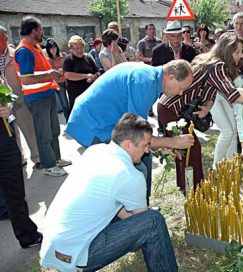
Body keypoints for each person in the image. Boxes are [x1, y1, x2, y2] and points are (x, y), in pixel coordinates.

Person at [40, 113, 177, 272]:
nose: (147, 151)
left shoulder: (95, 151)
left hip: (51, 247)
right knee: (153, 221)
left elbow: (123, 212)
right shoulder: (130, 175)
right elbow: (142, 220)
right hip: (73, 258)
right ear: (128, 145)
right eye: (145, 145)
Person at [157, 32, 243, 193]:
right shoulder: (217, 66)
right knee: (189, 149)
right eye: (236, 52)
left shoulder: (210, 62)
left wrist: (208, 105)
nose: (240, 56)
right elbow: (234, 95)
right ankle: (194, 190)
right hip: (170, 110)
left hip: (171, 108)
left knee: (188, 150)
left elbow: (209, 88)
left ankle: (190, 187)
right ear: (226, 50)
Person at [66, 60, 195, 203]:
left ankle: (141, 208)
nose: (181, 93)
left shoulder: (151, 79)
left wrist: (162, 144)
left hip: (104, 121)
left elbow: (139, 124)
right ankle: (130, 214)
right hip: (93, 124)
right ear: (170, 77)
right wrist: (172, 142)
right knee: (130, 171)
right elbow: (136, 134)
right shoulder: (145, 82)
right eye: (182, 88)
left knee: (144, 160)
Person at [15, 16, 70, 177]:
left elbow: (41, 72)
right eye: (40, 30)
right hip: (37, 98)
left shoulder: (35, 47)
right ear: (33, 31)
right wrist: (50, 75)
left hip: (47, 94)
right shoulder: (24, 50)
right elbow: (25, 78)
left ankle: (56, 159)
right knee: (44, 134)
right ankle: (49, 165)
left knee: (53, 130)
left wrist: (54, 76)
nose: (42, 33)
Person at [0, 103, 42, 248]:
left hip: (4, 139)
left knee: (15, 193)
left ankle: (27, 234)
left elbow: (7, 96)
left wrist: (7, 108)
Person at [0, 25, 40, 168]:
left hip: (19, 98)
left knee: (29, 128)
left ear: (6, 38)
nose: (1, 42)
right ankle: (19, 158)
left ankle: (37, 157)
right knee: (11, 131)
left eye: (2, 39)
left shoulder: (15, 53)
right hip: (3, 102)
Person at [63, 35, 99, 117]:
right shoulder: (68, 60)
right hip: (76, 95)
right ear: (71, 49)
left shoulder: (88, 58)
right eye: (76, 48)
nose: (79, 50)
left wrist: (93, 77)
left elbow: (97, 72)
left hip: (90, 94)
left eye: (81, 47)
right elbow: (68, 75)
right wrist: (86, 76)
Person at [44, 38, 69, 121]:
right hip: (57, 85)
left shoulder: (63, 56)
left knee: (70, 102)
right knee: (64, 104)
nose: (53, 49)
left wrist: (60, 71)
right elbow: (51, 74)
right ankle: (68, 121)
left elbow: (68, 68)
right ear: (48, 50)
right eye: (51, 48)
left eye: (54, 47)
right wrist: (59, 71)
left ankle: (72, 120)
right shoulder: (47, 60)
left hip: (67, 81)